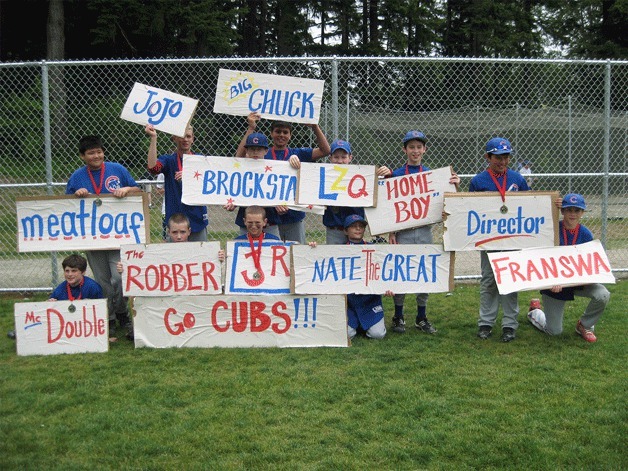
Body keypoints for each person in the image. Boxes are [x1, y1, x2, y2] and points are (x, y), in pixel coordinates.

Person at [384, 130, 460, 335]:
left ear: (425, 149)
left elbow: (447, 203)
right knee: (401, 270)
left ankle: (421, 316)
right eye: (411, 147)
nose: (415, 151)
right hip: (404, 232)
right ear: (405, 149)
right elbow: (390, 204)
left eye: (419, 147)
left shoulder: (432, 176)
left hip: (424, 231)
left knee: (423, 272)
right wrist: (391, 231)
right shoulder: (397, 174)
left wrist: (454, 186)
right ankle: (398, 315)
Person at [66, 135, 141, 337]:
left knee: (119, 278)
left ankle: (122, 313)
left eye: (99, 151)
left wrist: (127, 189)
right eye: (91, 153)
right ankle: (108, 319)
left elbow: (138, 191)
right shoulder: (77, 177)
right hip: (94, 239)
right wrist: (76, 195)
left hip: (119, 238)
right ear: (83, 156)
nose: (96, 155)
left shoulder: (117, 170)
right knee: (102, 282)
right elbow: (65, 206)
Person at [235, 112, 331, 244]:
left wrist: (315, 127)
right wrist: (251, 128)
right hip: (271, 214)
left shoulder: (297, 153)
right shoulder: (262, 153)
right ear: (271, 133)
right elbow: (238, 159)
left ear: (290, 135)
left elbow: (326, 151)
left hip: (293, 214)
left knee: (296, 250)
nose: (281, 135)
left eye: (285, 132)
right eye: (278, 131)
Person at [469, 137, 530, 342]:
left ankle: (510, 325)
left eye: (505, 157)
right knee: (488, 281)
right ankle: (486, 323)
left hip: (512, 239)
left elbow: (531, 204)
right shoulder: (478, 181)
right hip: (489, 240)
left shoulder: (517, 179)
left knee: (510, 280)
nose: (502, 161)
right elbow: (468, 211)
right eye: (497, 157)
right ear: (488, 157)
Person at [527, 194, 610, 342]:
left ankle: (585, 325)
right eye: (568, 209)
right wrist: (551, 280)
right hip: (555, 284)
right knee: (554, 332)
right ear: (562, 211)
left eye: (577, 210)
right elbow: (541, 258)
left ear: (582, 213)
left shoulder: (585, 234)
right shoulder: (551, 229)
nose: (573, 214)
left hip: (578, 282)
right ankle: (535, 312)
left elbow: (589, 262)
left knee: (603, 294)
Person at [7, 254, 104, 340]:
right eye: (67, 271)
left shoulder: (93, 287)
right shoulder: (60, 289)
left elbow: (101, 311)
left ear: (83, 272)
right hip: (65, 324)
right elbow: (48, 311)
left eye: (74, 271)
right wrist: (49, 303)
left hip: (85, 324)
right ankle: (21, 331)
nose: (70, 274)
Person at [316, 139, 391, 244]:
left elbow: (382, 189)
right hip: (335, 229)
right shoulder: (323, 177)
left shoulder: (361, 176)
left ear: (350, 158)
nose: (340, 161)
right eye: (336, 157)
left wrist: (386, 175)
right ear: (330, 158)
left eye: (343, 157)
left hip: (356, 229)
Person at [146, 124, 209, 242]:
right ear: (175, 138)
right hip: (175, 220)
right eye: (182, 136)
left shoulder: (200, 160)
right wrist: (153, 138)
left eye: (188, 136)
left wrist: (190, 176)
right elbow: (153, 168)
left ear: (193, 139)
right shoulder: (169, 161)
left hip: (197, 219)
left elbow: (209, 183)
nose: (185, 139)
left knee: (201, 256)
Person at [341, 214, 391, 340]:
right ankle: (356, 325)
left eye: (361, 226)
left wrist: (388, 287)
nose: (358, 229)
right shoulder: (338, 251)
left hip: (370, 300)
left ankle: (365, 325)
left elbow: (384, 272)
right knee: (347, 334)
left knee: (378, 335)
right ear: (345, 231)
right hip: (349, 302)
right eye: (353, 226)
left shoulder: (374, 249)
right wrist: (313, 247)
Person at [225, 132, 284, 239]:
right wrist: (232, 201)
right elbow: (234, 190)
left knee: (273, 249)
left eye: (259, 149)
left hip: (270, 220)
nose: (255, 152)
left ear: (266, 151)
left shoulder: (275, 169)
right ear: (246, 150)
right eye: (252, 149)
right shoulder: (239, 170)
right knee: (244, 249)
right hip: (247, 222)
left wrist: (281, 205)